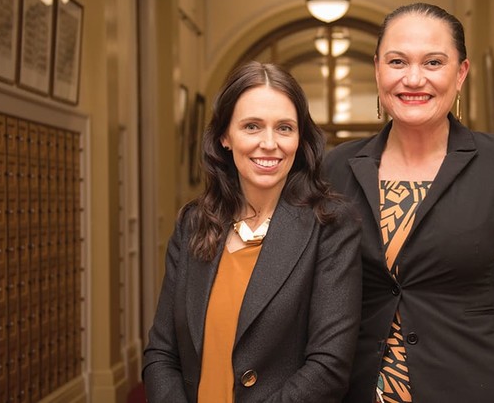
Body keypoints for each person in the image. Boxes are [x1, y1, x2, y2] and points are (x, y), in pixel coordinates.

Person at [324, 3, 494, 402]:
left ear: (461, 73)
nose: (413, 78)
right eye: (397, 61)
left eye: (433, 62)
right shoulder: (334, 168)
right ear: (377, 70)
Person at [143, 61, 362, 403]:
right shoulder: (193, 223)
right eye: (252, 126)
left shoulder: (331, 226)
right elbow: (161, 353)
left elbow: (329, 367)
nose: (269, 143)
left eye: (285, 128)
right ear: (224, 137)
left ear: (300, 138)